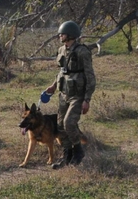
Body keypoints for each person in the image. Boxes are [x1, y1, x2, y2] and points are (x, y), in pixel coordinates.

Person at [45, 21, 96, 169]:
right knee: (60, 126)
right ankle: (67, 156)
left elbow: (90, 76)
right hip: (64, 93)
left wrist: (87, 99)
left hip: (77, 95)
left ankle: (78, 152)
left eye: (63, 33)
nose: (60, 35)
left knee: (69, 123)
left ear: (71, 35)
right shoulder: (62, 50)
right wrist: (54, 86)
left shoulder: (82, 52)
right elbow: (62, 71)